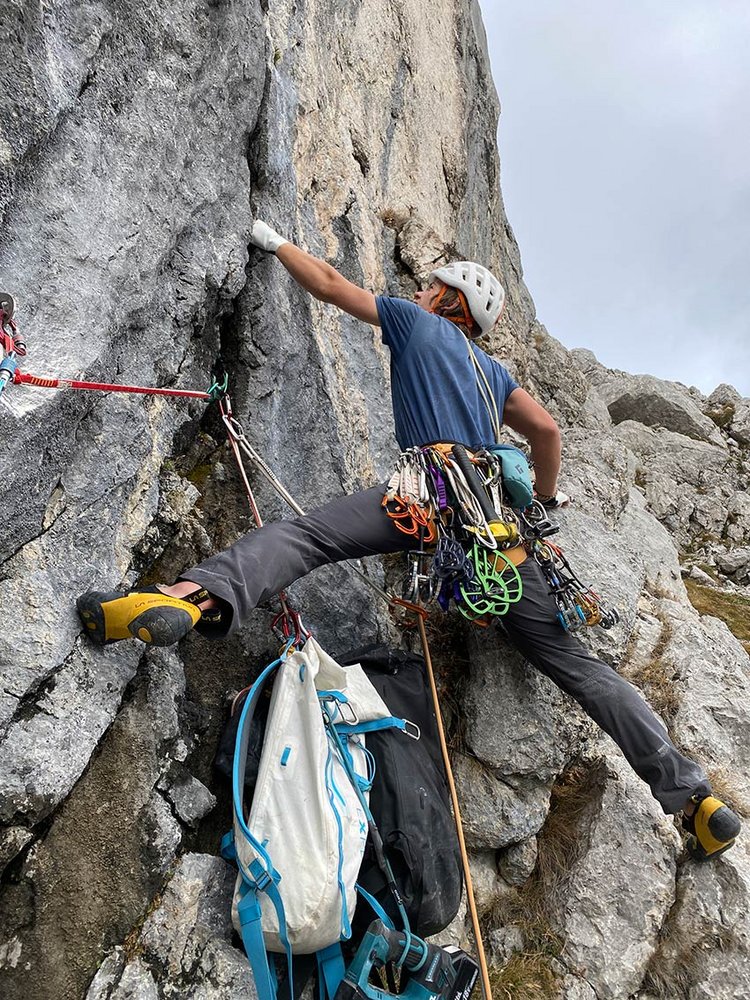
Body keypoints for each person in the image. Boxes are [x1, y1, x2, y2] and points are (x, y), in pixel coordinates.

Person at [77, 220, 741, 861]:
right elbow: (547, 432)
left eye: (430, 286)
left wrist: (275, 242)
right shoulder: (493, 373)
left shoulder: (414, 322)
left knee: (305, 538)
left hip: (427, 498)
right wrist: (541, 499)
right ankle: (696, 801)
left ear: (448, 299)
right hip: (501, 532)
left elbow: (331, 285)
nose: (419, 291)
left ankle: (188, 598)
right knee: (580, 667)